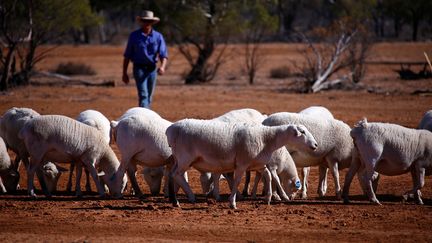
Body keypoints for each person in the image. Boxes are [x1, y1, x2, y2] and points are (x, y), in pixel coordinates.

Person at [122, 10, 168, 108]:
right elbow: (127, 56)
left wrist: (162, 67)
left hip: (152, 69)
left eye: (149, 21)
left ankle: (146, 116)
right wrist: (124, 73)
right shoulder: (134, 36)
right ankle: (143, 118)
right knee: (143, 95)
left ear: (152, 23)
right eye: (145, 21)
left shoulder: (158, 37)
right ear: (141, 22)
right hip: (139, 68)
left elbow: (163, 54)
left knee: (149, 96)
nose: (147, 23)